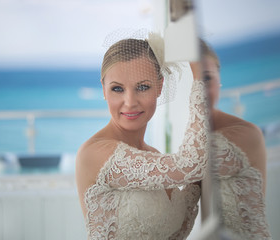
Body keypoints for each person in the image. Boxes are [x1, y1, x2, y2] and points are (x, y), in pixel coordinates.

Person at [75, 32, 210, 240]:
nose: (130, 102)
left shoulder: (152, 156)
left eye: (143, 87)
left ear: (160, 87)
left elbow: (176, 232)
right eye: (117, 89)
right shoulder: (94, 153)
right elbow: (193, 164)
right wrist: (200, 78)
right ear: (103, 89)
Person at [197, 40, 272, 239]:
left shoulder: (245, 134)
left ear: (219, 80)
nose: (199, 90)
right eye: (189, 80)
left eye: (206, 78)